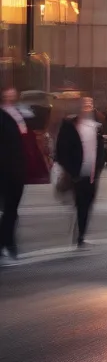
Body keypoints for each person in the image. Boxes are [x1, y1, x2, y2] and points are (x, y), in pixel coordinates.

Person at [56, 97, 107, 247]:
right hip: (76, 173)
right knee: (80, 203)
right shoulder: (69, 126)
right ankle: (79, 234)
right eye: (85, 104)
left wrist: (102, 162)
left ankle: (81, 233)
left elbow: (100, 147)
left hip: (92, 174)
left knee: (87, 203)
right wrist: (69, 169)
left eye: (90, 104)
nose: (87, 106)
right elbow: (61, 149)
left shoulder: (95, 126)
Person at [0, 88, 28, 260]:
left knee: (12, 209)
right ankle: (7, 243)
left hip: (16, 167)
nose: (10, 96)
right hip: (6, 168)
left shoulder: (18, 113)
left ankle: (8, 242)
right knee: (9, 209)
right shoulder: (4, 116)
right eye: (7, 93)